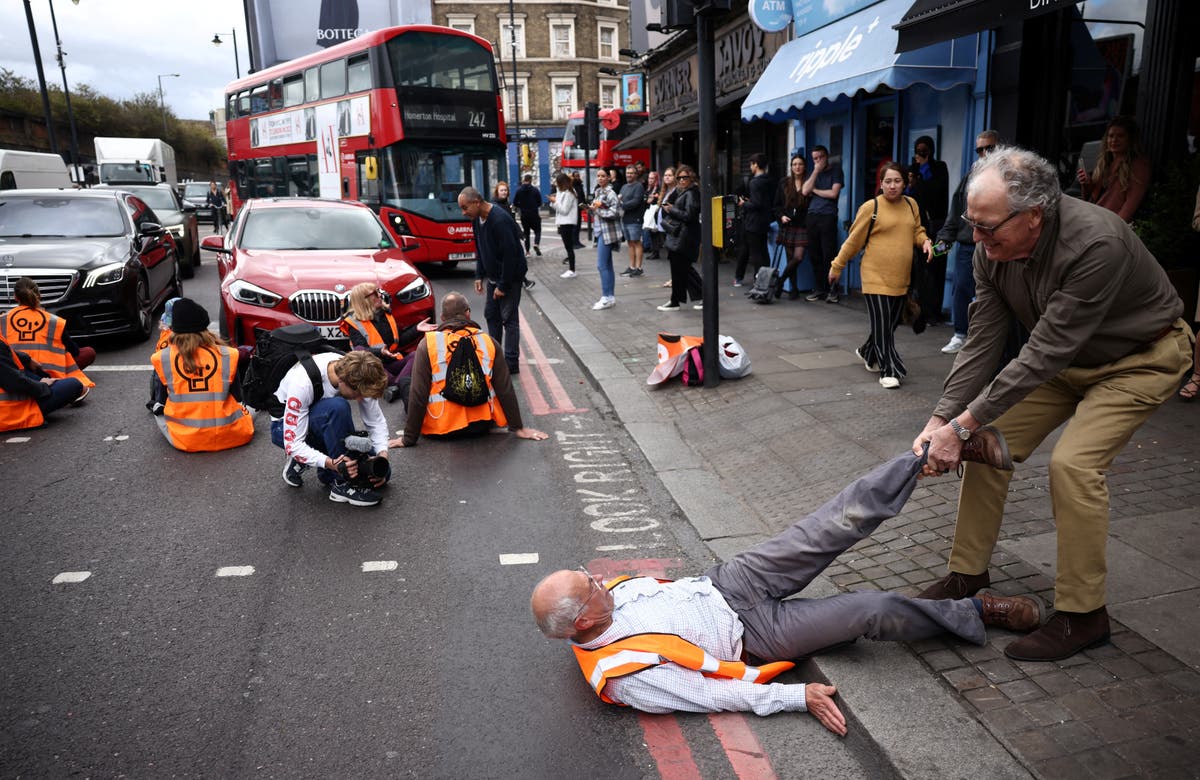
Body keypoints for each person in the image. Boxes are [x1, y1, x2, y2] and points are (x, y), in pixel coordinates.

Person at [912, 146, 1194, 662]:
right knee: (978, 442)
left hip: (1141, 358)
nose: (976, 239)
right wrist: (944, 421)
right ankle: (967, 574)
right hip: (1068, 363)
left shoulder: (1097, 242)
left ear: (1034, 215)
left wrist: (964, 421)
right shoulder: (990, 250)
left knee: (1074, 465)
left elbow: (1043, 352)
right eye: (972, 224)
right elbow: (983, 341)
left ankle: (1083, 616)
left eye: (988, 227)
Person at [531, 447, 1044, 728]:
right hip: (757, 634)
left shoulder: (606, 598)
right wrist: (796, 697)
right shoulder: (624, 676)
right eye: (591, 585)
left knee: (833, 522)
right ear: (582, 620)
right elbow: (712, 694)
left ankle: (928, 457)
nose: (602, 579)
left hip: (730, 580)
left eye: (590, 574)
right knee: (872, 609)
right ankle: (977, 612)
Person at [389, 292, 547, 447]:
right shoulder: (488, 342)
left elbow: (419, 394)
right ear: (468, 314)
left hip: (442, 427)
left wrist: (408, 439)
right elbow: (505, 388)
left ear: (443, 318)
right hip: (481, 425)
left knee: (406, 383)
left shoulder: (429, 344)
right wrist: (518, 427)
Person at [829, 162, 932, 390]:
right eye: (887, 181)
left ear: (905, 182)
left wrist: (924, 241)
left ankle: (867, 351)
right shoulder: (871, 207)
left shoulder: (911, 204)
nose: (892, 186)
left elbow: (916, 230)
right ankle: (889, 370)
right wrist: (837, 266)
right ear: (881, 183)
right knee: (883, 326)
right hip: (875, 276)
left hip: (901, 277)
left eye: (897, 181)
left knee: (890, 324)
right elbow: (853, 240)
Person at [274, 349, 392, 507]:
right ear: (342, 380)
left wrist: (382, 455)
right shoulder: (302, 383)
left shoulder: (357, 371)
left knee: (380, 471)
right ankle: (341, 484)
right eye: (358, 395)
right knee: (337, 407)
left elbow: (375, 422)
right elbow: (293, 444)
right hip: (285, 429)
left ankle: (322, 468)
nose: (360, 400)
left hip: (320, 421)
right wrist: (333, 464)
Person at [149, 298, 254, 452]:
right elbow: (238, 397)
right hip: (231, 434)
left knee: (157, 407)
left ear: (174, 328)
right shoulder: (229, 355)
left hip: (186, 438)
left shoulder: (162, 358)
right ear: (205, 327)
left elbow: (161, 399)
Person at [935, 130, 1000, 354]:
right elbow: (956, 211)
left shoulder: (1009, 174)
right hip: (968, 244)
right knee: (962, 288)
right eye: (979, 149)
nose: (984, 153)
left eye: (988, 148)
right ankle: (960, 334)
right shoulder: (971, 175)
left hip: (998, 243)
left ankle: (989, 338)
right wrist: (941, 245)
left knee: (994, 292)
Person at [460, 186, 527, 375]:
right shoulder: (477, 220)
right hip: (495, 277)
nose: (463, 212)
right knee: (491, 315)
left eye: (465, 207)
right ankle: (496, 357)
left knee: (509, 318)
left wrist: (503, 285)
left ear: (477, 202)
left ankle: (511, 362)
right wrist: (479, 274)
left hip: (510, 277)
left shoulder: (499, 220)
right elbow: (480, 248)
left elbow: (510, 255)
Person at [339, 282, 435, 403]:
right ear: (363, 301)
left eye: (378, 291)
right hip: (373, 366)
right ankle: (402, 384)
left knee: (415, 356)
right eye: (374, 293)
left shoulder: (385, 314)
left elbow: (398, 341)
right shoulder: (354, 322)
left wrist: (416, 329)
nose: (379, 295)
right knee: (380, 372)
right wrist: (380, 352)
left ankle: (396, 386)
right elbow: (359, 350)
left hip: (391, 361)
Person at [1, 277, 94, 401]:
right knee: (87, 352)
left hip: (15, 370)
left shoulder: (2, 319)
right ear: (39, 295)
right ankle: (64, 388)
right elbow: (74, 351)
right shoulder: (53, 320)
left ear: (15, 297)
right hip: (47, 373)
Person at [906, 136, 951, 326]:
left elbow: (936, 191)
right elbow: (909, 195)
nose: (921, 154)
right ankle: (921, 311)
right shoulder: (912, 169)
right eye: (918, 150)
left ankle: (934, 311)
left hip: (939, 230)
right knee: (921, 270)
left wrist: (921, 175)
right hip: (920, 230)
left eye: (924, 150)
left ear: (931, 150)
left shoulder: (939, 167)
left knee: (937, 268)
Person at [0, 331, 83, 432]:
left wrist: (27, 359)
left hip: (21, 375)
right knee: (73, 384)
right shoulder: (53, 321)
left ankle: (46, 382)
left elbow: (7, 356)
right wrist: (43, 386)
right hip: (8, 413)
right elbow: (13, 382)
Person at [1077, 115, 1151, 223]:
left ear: (1130, 139)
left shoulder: (1138, 165)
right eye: (1111, 136)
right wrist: (1086, 184)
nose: (1114, 140)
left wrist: (1115, 227)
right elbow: (1091, 198)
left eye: (1120, 136)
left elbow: (1131, 203)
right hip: (1091, 217)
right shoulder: (1105, 162)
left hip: (1107, 224)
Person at [656, 164, 703, 312]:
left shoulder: (692, 193)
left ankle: (677, 300)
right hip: (679, 236)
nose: (682, 180)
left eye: (685, 177)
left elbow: (689, 216)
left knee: (682, 269)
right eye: (679, 178)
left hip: (685, 237)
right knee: (681, 270)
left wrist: (672, 209)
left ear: (691, 178)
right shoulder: (683, 191)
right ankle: (679, 299)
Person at [802, 145, 844, 302]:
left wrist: (817, 191)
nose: (818, 160)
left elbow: (834, 194)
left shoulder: (836, 171)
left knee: (829, 254)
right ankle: (820, 288)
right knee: (815, 254)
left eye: (820, 157)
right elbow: (805, 191)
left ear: (827, 156)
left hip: (828, 215)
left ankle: (833, 290)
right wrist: (815, 171)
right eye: (815, 158)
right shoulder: (814, 174)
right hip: (812, 216)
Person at [733, 153, 773, 287]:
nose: (750, 167)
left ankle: (759, 282)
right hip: (765, 221)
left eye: (751, 164)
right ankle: (765, 280)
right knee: (763, 252)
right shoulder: (769, 180)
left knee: (756, 254)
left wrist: (743, 204)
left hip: (753, 222)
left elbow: (756, 204)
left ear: (756, 164)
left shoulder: (755, 183)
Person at [774, 155, 810, 300]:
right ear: (791, 166)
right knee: (790, 259)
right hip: (788, 225)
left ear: (804, 166)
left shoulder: (809, 183)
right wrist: (781, 216)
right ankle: (794, 289)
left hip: (803, 226)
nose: (797, 167)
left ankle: (780, 281)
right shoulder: (784, 183)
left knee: (798, 257)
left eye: (800, 164)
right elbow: (776, 205)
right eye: (794, 164)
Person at [589, 168, 622, 311]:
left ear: (608, 178)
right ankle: (610, 297)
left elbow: (615, 213)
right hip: (600, 230)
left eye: (603, 176)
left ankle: (606, 297)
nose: (600, 178)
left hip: (608, 232)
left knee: (601, 265)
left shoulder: (611, 193)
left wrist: (598, 211)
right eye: (598, 176)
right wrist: (590, 209)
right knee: (607, 265)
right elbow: (596, 211)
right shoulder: (598, 192)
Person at [618, 165, 647, 278]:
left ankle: (639, 268)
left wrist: (622, 204)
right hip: (625, 218)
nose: (628, 175)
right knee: (630, 243)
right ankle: (632, 267)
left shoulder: (639, 186)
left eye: (631, 173)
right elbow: (619, 198)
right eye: (627, 173)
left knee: (636, 242)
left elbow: (636, 201)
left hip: (635, 218)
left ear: (636, 175)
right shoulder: (624, 187)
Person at [549, 173, 579, 278]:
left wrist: (554, 202)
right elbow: (558, 207)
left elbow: (564, 210)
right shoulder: (562, 192)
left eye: (558, 183)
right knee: (568, 246)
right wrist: (554, 202)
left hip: (567, 222)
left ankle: (572, 269)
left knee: (569, 247)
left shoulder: (569, 193)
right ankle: (571, 269)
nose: (556, 185)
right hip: (563, 222)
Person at [512, 175, 543, 256]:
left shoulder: (519, 190)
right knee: (538, 230)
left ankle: (527, 252)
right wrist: (534, 206)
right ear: (531, 180)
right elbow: (540, 202)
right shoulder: (535, 190)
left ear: (524, 180)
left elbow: (515, 202)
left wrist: (521, 206)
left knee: (526, 233)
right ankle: (536, 244)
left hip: (524, 215)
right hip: (534, 214)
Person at [644, 170, 664, 259]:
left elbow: (656, 199)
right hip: (650, 212)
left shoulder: (658, 188)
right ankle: (654, 251)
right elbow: (646, 199)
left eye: (652, 178)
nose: (650, 180)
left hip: (655, 212)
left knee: (656, 232)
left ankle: (656, 251)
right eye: (649, 178)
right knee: (652, 232)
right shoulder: (649, 188)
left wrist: (653, 197)